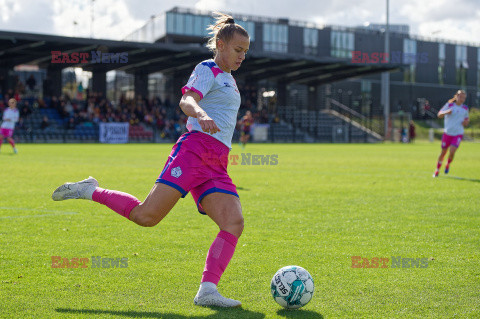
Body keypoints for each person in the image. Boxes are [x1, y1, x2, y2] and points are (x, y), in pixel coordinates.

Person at [51, 12, 250, 308]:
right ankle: (90, 190)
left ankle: (207, 290)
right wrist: (201, 113)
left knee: (233, 222)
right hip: (194, 152)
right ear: (220, 44)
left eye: (245, 52)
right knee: (146, 216)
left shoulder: (231, 81)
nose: (242, 56)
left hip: (217, 161)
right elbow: (187, 100)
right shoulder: (207, 69)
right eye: (237, 50)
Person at [433, 90, 469, 177]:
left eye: (464, 97)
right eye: (460, 96)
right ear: (456, 96)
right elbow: (439, 114)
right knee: (443, 152)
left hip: (458, 134)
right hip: (447, 133)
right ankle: (437, 170)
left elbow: (467, 120)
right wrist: (446, 112)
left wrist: (466, 122)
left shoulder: (465, 108)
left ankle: (448, 164)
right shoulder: (449, 105)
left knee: (452, 152)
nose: (462, 99)